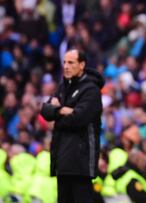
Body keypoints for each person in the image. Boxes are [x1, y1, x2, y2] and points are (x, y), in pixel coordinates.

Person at [40, 49, 104, 203]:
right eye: (64, 62)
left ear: (82, 65)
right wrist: (63, 110)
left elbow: (78, 119)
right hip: (62, 159)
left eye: (71, 62)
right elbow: (45, 111)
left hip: (80, 160)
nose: (66, 66)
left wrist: (58, 111)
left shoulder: (91, 90)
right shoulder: (63, 87)